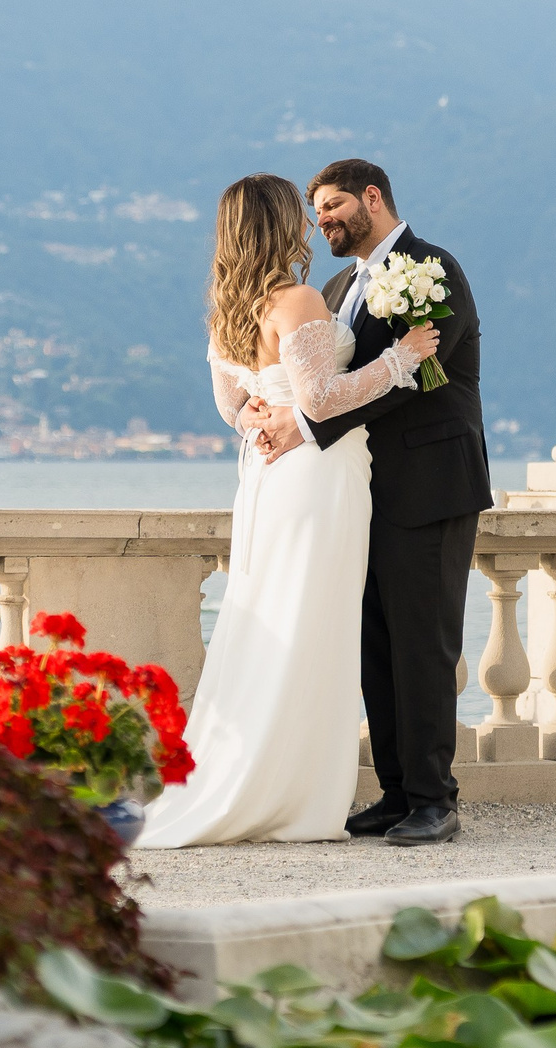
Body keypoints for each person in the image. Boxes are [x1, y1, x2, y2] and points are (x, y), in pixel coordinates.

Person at [131, 173, 435, 849]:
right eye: (297, 214)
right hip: (316, 479)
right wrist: (402, 359)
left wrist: (259, 423)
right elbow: (323, 400)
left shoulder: (228, 311)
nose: (309, 223)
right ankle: (296, 796)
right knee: (315, 626)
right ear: (276, 224)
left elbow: (229, 408)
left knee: (276, 618)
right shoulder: (295, 299)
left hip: (266, 483)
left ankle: (271, 782)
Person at [242, 158, 486, 846]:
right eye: (315, 210)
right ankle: (396, 790)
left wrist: (307, 424)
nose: (321, 220)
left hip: (432, 483)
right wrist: (279, 403)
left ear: (371, 197)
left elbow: (428, 371)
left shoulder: (435, 267)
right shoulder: (339, 284)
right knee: (376, 644)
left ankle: (437, 798)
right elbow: (327, 378)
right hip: (363, 490)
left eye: (332, 205)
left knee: (425, 644)